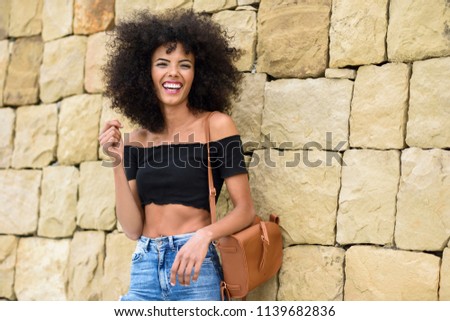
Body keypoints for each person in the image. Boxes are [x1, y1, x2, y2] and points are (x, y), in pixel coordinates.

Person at [98, 9, 255, 301]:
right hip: (144, 268)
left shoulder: (216, 125)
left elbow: (245, 209)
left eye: (184, 65)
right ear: (145, 73)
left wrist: (204, 236)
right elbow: (132, 229)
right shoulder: (136, 141)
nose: (173, 73)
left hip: (195, 268)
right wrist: (117, 161)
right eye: (162, 64)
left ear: (197, 74)